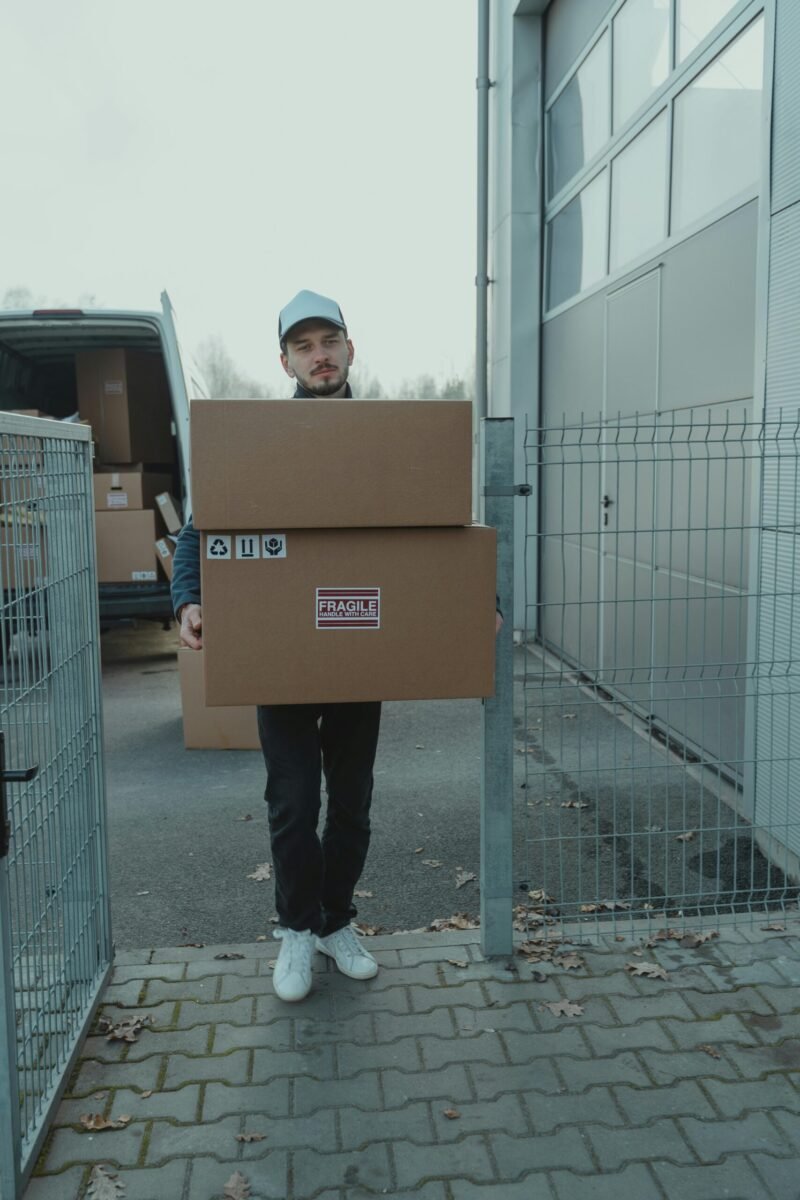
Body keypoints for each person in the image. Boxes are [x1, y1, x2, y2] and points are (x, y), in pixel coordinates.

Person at [172, 289, 502, 1004]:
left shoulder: (392, 436)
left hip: (360, 649)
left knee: (351, 801)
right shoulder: (255, 442)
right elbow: (201, 531)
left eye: (330, 341)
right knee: (293, 801)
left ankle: (335, 923)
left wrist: (480, 602)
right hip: (283, 653)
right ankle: (296, 929)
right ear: (285, 360)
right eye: (304, 345)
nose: (319, 356)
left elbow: (443, 532)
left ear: (352, 349)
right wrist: (189, 598)